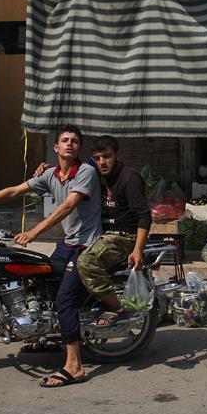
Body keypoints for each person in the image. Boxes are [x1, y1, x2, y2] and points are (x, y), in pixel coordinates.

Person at [0, 125, 102, 388]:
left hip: (86, 246)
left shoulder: (86, 172)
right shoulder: (50, 175)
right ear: (56, 148)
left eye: (75, 141)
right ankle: (45, 332)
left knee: (65, 300)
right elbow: (14, 191)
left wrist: (34, 231)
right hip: (68, 243)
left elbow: (68, 206)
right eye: (65, 140)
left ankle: (74, 366)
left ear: (79, 148)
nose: (70, 144)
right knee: (39, 281)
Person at [76, 136, 151, 325]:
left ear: (117, 155)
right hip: (102, 234)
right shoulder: (96, 174)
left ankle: (115, 307)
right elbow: (69, 167)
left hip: (125, 236)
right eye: (97, 158)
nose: (102, 162)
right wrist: (45, 168)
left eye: (107, 156)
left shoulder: (129, 177)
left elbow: (144, 215)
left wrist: (138, 249)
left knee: (86, 261)